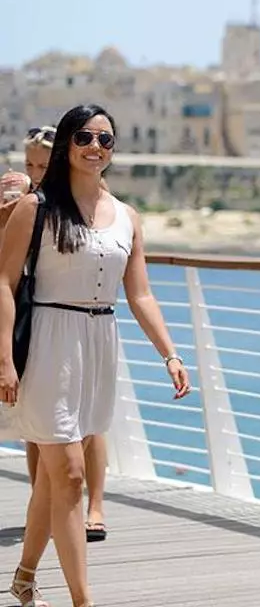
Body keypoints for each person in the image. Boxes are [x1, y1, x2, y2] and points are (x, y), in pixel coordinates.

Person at [0, 104, 191, 607]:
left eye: (106, 140)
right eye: (85, 137)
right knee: (69, 474)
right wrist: (4, 359)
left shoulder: (127, 216)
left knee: (53, 475)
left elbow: (141, 294)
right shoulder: (36, 208)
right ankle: (84, 600)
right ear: (66, 143)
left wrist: (169, 354)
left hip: (100, 342)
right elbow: (4, 280)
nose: (95, 147)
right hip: (47, 341)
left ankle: (23, 577)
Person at [0, 127, 112, 543]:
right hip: (35, 315)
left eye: (42, 165)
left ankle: (94, 505)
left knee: (90, 422)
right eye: (29, 164)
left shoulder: (85, 201)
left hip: (85, 322)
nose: (34, 172)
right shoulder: (28, 202)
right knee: (39, 420)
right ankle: (40, 503)